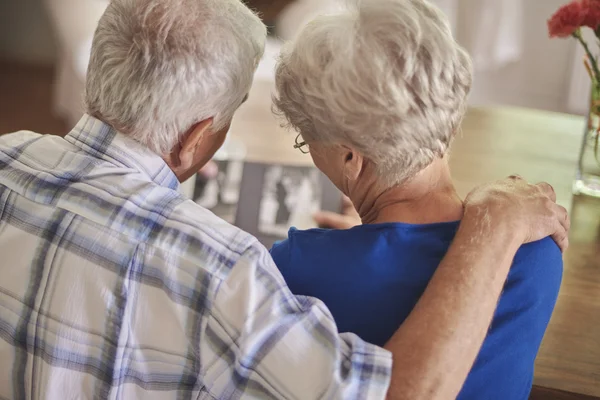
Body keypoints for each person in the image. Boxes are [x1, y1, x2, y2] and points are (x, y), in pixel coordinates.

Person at [0, 0, 569, 399]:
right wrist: (490, 226)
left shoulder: (8, 155)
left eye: (304, 139)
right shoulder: (539, 252)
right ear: (197, 137)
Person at [271, 0, 563, 399]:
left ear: (350, 159)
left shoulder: (295, 271)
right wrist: (371, 244)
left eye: (306, 139)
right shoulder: (538, 252)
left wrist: (359, 249)